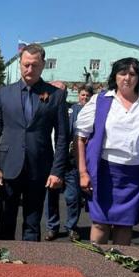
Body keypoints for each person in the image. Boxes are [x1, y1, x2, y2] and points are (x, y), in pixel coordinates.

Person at [76, 58, 139, 245]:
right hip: (104, 172)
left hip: (134, 175)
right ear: (114, 76)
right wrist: (83, 172)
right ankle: (95, 260)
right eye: (122, 73)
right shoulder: (100, 100)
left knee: (125, 225)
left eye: (132, 74)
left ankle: (118, 262)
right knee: (100, 223)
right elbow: (81, 138)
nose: (127, 78)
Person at [0, 43, 68, 241]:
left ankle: (30, 261)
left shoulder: (56, 96)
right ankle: (2, 260)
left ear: (43, 65)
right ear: (20, 64)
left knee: (32, 225)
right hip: (8, 167)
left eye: (34, 65)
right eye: (26, 65)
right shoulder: (3, 94)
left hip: (39, 168)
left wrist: (57, 171)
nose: (29, 69)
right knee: (5, 222)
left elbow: (62, 136)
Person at [45, 85, 92, 241]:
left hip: (70, 161)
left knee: (73, 197)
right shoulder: (44, 107)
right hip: (50, 160)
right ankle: (52, 227)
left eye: (62, 91)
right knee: (51, 197)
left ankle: (71, 227)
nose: (59, 93)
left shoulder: (75, 110)